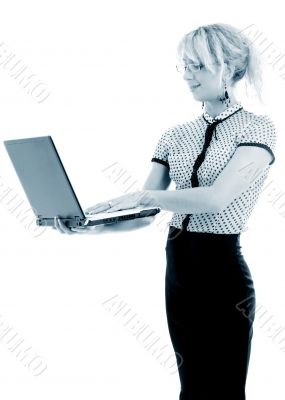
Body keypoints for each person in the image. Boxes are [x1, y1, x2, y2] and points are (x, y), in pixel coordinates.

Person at [54, 23, 277, 400]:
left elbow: (215, 199)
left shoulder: (258, 129)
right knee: (191, 388)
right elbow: (144, 213)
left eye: (198, 66)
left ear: (226, 68)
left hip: (222, 273)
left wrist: (144, 197)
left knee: (222, 388)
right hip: (179, 268)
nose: (188, 75)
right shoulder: (175, 134)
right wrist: (90, 227)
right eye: (184, 66)